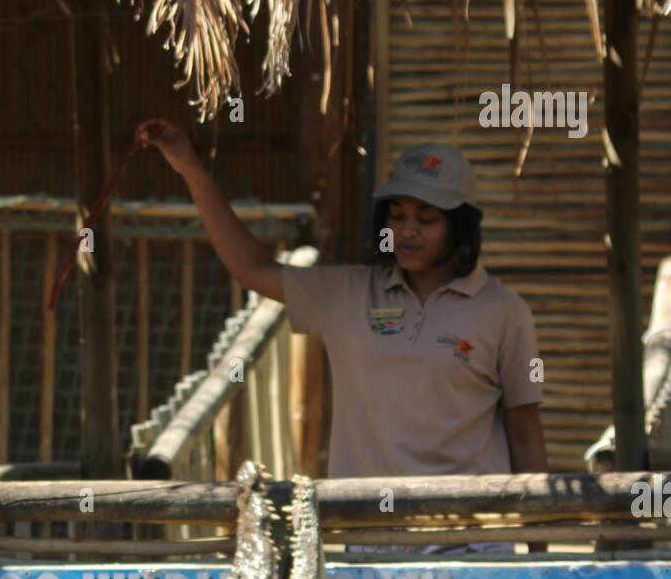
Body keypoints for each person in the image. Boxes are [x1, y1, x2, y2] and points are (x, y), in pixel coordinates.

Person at [137, 121, 547, 555]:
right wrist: (192, 171)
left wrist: (540, 553)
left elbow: (524, 435)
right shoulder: (346, 294)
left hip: (473, 545)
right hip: (369, 540)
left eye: (426, 219)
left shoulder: (504, 311)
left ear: (461, 226)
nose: (407, 230)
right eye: (397, 215)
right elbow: (252, 268)